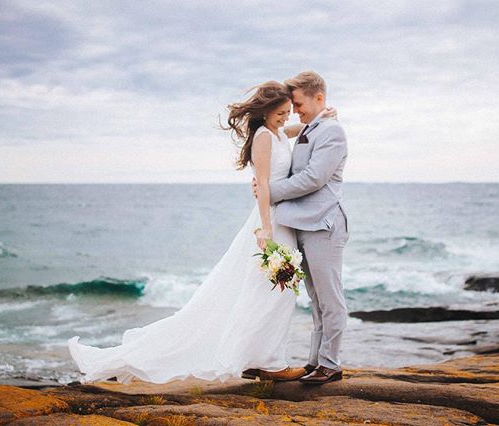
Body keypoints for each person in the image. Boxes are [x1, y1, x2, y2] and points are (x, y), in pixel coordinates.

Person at [67, 81, 334, 384]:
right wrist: (265, 229)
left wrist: (322, 116)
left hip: (282, 218)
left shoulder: (276, 132)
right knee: (275, 292)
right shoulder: (262, 137)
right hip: (271, 220)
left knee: (269, 292)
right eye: (281, 112)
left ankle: (255, 359)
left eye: (289, 111)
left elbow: (297, 131)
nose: (287, 116)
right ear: (266, 111)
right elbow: (262, 187)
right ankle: (270, 363)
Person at [253, 71, 349, 385]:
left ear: (318, 97)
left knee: (330, 298)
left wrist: (268, 191)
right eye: (290, 106)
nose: (295, 111)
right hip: (304, 226)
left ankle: (331, 364)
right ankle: (316, 361)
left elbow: (313, 179)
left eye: (298, 103)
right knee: (316, 299)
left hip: (324, 225)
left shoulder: (332, 131)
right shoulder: (311, 126)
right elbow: (283, 132)